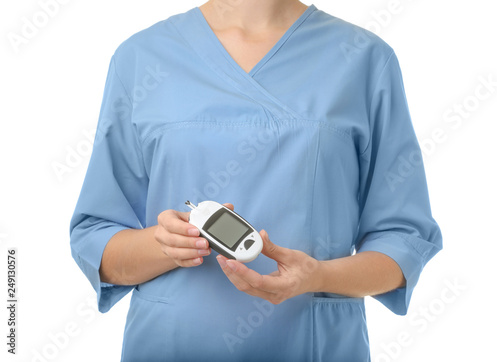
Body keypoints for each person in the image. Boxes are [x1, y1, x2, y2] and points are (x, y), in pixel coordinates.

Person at [70, 0, 443, 360]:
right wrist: (163, 244)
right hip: (171, 345)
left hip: (312, 347)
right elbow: (96, 240)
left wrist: (319, 276)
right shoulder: (140, 58)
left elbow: (403, 241)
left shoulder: (364, 59)